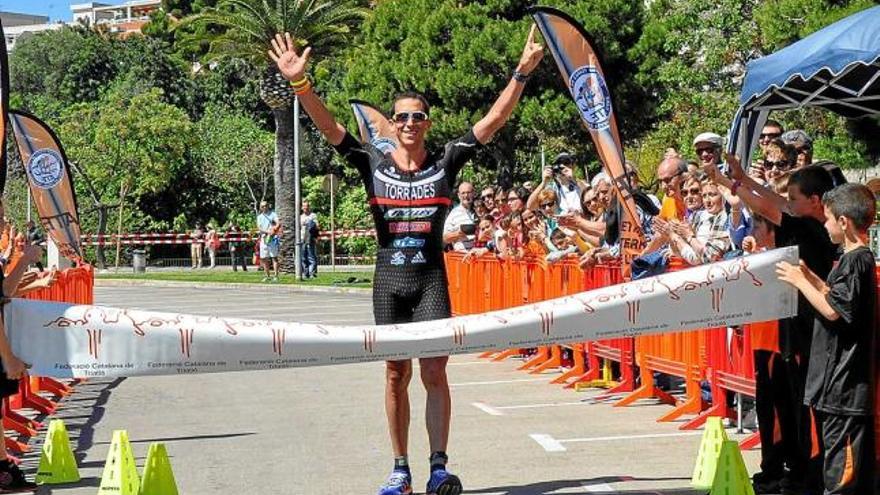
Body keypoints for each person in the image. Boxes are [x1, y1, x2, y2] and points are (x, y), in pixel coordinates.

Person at [270, 25, 543, 495]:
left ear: (427, 124)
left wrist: (520, 73)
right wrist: (300, 83)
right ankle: (400, 468)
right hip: (389, 281)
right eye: (402, 117)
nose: (410, 123)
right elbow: (329, 126)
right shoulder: (371, 163)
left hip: (431, 280)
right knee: (396, 373)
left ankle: (439, 465)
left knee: (435, 371)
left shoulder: (446, 159)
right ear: (392, 125)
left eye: (418, 116)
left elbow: (494, 121)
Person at [705, 159, 836, 495]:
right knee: (791, 408)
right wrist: (744, 178)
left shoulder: (812, 230)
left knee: (805, 413)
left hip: (811, 334)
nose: (788, 204)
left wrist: (730, 184)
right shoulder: (803, 222)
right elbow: (775, 202)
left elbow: (769, 205)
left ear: (815, 200)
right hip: (795, 333)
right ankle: (797, 471)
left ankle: (809, 474)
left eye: (794, 199)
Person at [776, 183, 877, 495]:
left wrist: (799, 283)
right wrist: (811, 278)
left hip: (845, 387)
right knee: (835, 468)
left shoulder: (858, 259)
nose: (826, 225)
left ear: (844, 222)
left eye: (829, 219)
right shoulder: (849, 260)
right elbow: (838, 299)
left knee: (842, 478)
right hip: (834, 387)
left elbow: (836, 312)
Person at [443, 182, 477, 252]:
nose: (466, 195)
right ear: (458, 195)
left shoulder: (479, 210)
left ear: (473, 193)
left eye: (468, 192)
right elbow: (445, 238)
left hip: (480, 257)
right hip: (461, 258)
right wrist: (458, 234)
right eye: (463, 193)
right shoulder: (454, 214)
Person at [257, 201, 281, 282]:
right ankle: (267, 276)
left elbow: (278, 223)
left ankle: (276, 276)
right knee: (264, 258)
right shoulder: (259, 217)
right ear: (260, 207)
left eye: (265, 206)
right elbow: (259, 228)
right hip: (264, 238)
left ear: (268, 206)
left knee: (274, 257)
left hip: (272, 238)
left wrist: (274, 229)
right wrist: (267, 232)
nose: (264, 207)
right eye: (262, 206)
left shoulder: (273, 214)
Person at [301, 201, 319, 278]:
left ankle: (312, 273)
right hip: (302, 238)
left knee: (311, 256)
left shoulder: (313, 216)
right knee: (303, 257)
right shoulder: (300, 217)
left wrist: (310, 224)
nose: (306, 208)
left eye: (307, 206)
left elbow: (317, 226)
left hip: (310, 238)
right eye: (304, 206)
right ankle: (305, 273)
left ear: (309, 207)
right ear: (302, 207)